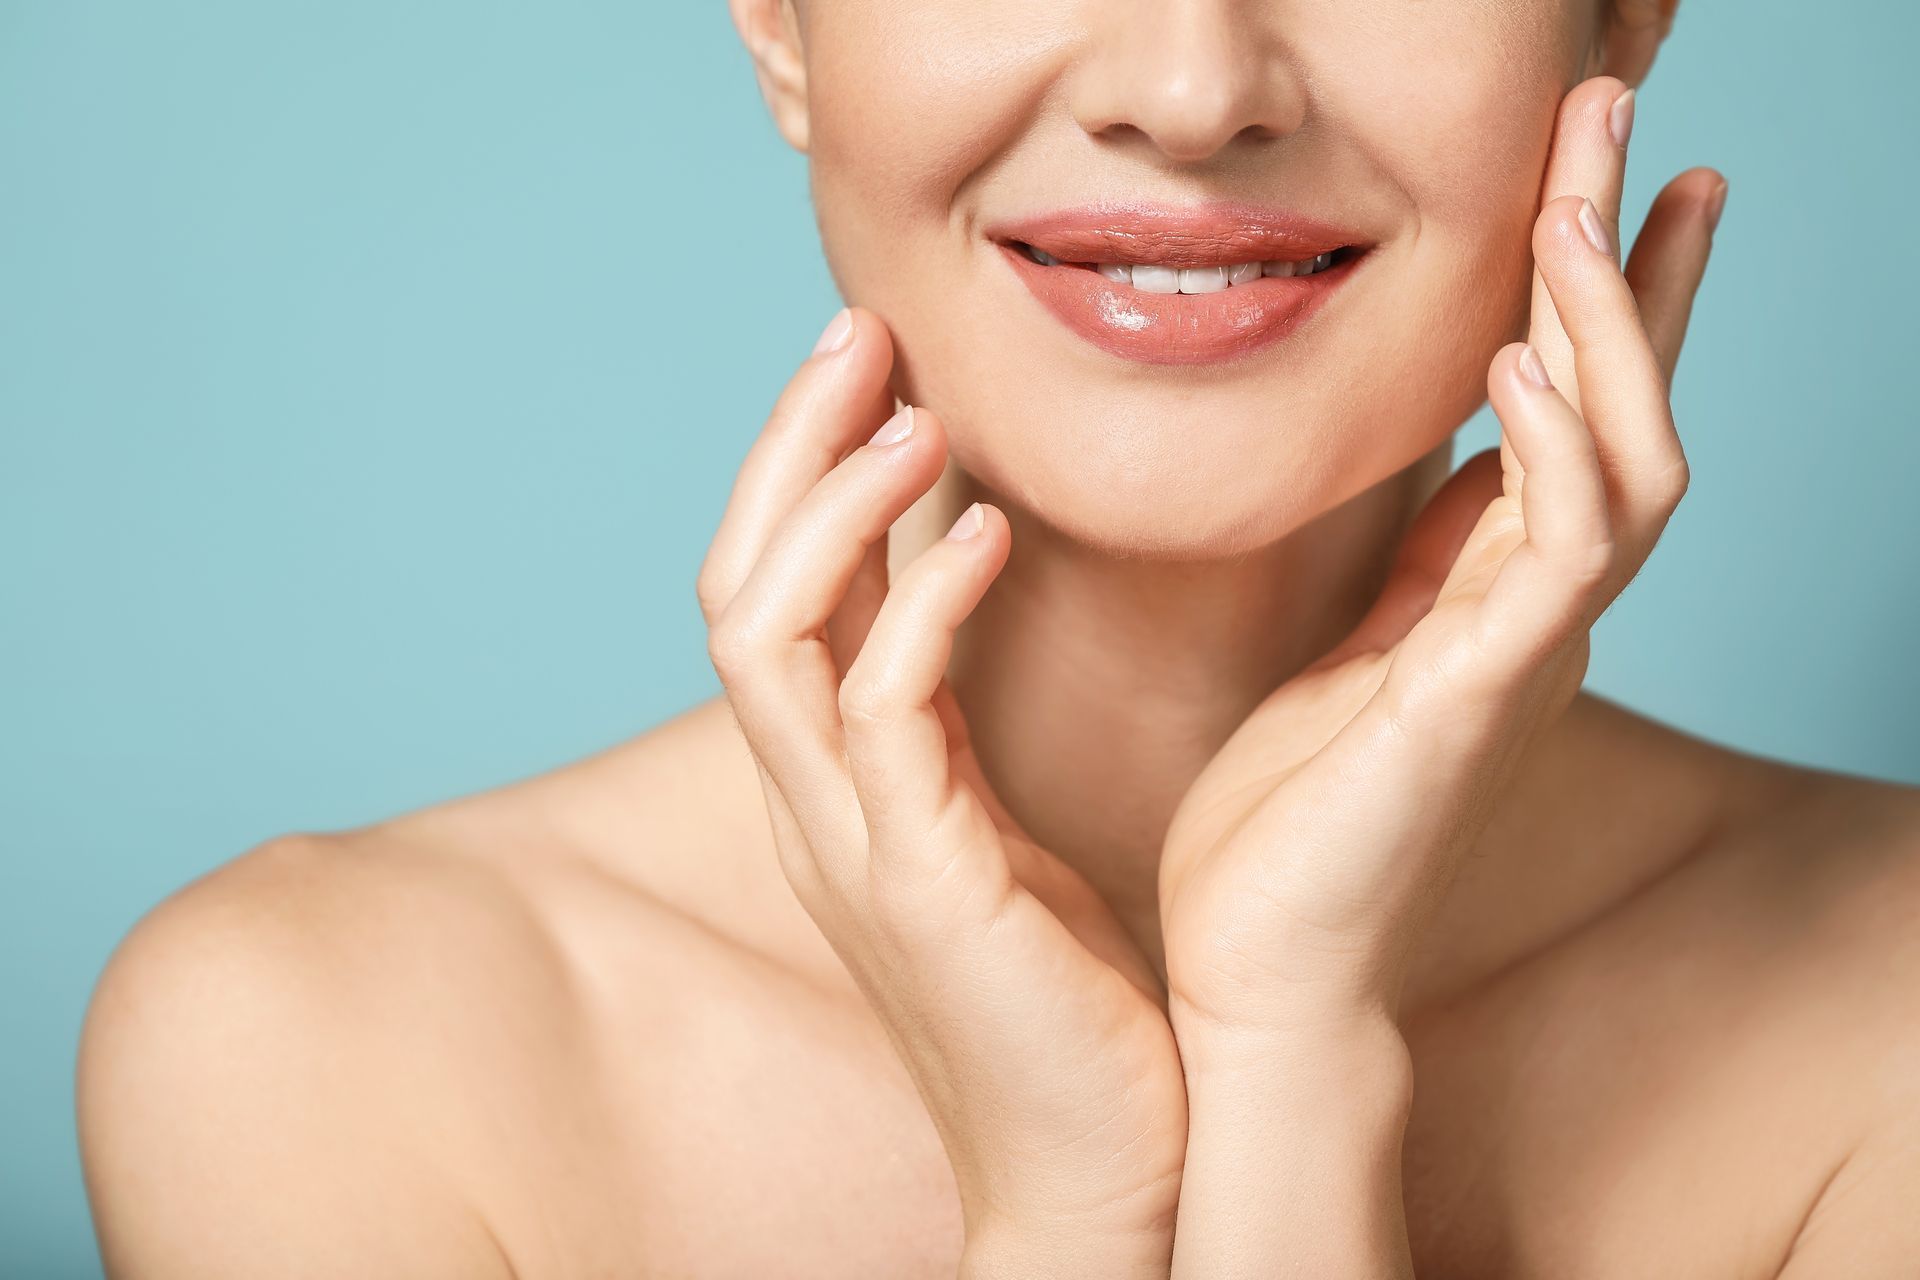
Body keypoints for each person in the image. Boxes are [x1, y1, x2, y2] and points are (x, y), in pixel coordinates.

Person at [75, 0, 1920, 1275]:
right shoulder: (331, 1056)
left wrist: (1291, 1075)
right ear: (782, 24)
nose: (1192, 91)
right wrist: (1069, 1220)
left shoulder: (1881, 1038)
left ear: (1616, 20)